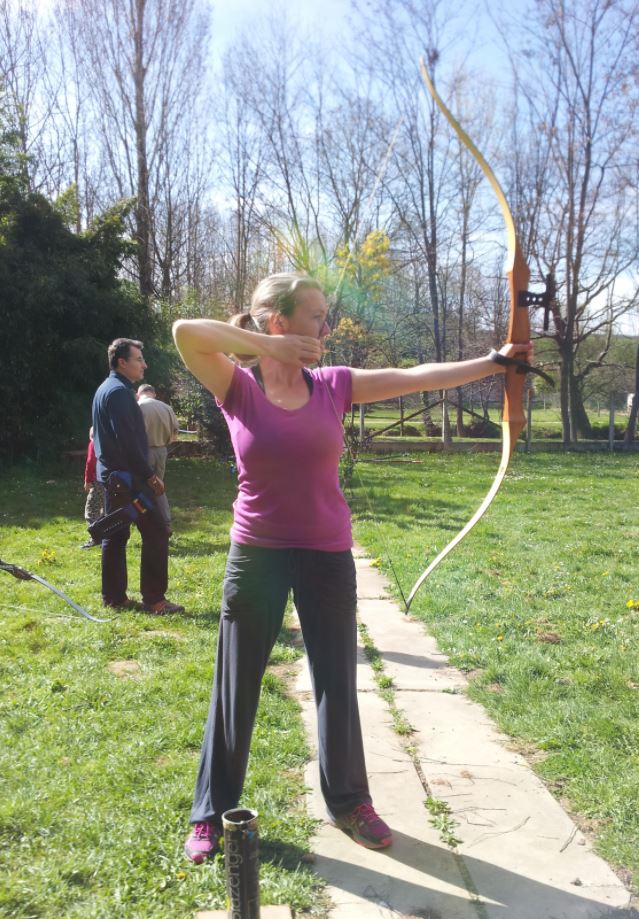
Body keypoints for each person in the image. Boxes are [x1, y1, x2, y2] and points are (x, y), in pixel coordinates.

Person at [172, 272, 529, 862]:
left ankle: (349, 801)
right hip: (256, 555)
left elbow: (417, 377)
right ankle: (209, 814)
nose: (327, 326)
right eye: (315, 315)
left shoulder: (334, 385)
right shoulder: (236, 385)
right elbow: (186, 332)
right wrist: (268, 350)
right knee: (236, 686)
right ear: (279, 320)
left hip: (327, 555)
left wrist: (493, 362)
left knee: (337, 680)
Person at [92, 338, 184, 615]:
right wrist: (150, 476)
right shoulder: (119, 392)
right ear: (122, 362)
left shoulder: (106, 388)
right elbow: (128, 441)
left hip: (114, 478)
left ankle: (114, 598)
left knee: (116, 536)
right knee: (157, 531)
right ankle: (155, 599)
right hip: (129, 480)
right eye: (138, 359)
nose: (144, 364)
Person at [137, 383, 179, 532]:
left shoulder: (138, 407)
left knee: (140, 487)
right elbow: (175, 432)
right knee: (158, 486)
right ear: (153, 393)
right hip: (161, 451)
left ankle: (144, 521)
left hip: (143, 452)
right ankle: (165, 523)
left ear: (139, 393)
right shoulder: (166, 408)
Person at [81, 427, 105, 549]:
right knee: (106, 510)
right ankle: (107, 537)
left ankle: (96, 538)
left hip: (99, 481)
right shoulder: (111, 442)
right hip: (112, 480)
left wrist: (87, 480)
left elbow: (90, 462)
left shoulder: (94, 443)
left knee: (91, 510)